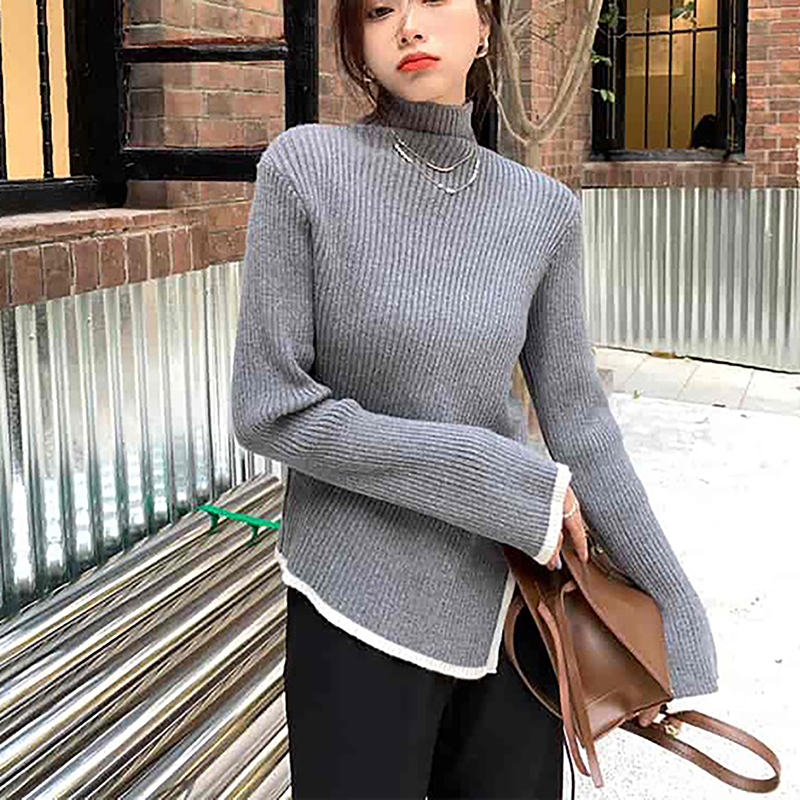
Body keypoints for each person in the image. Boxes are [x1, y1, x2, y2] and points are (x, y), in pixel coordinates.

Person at [230, 0, 719, 797]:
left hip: (513, 613)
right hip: (355, 601)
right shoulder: (306, 168)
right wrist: (497, 477)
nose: (409, 25)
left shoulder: (542, 210)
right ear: (356, 40)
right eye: (380, 9)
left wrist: (671, 607)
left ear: (487, 25)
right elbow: (271, 408)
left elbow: (580, 422)